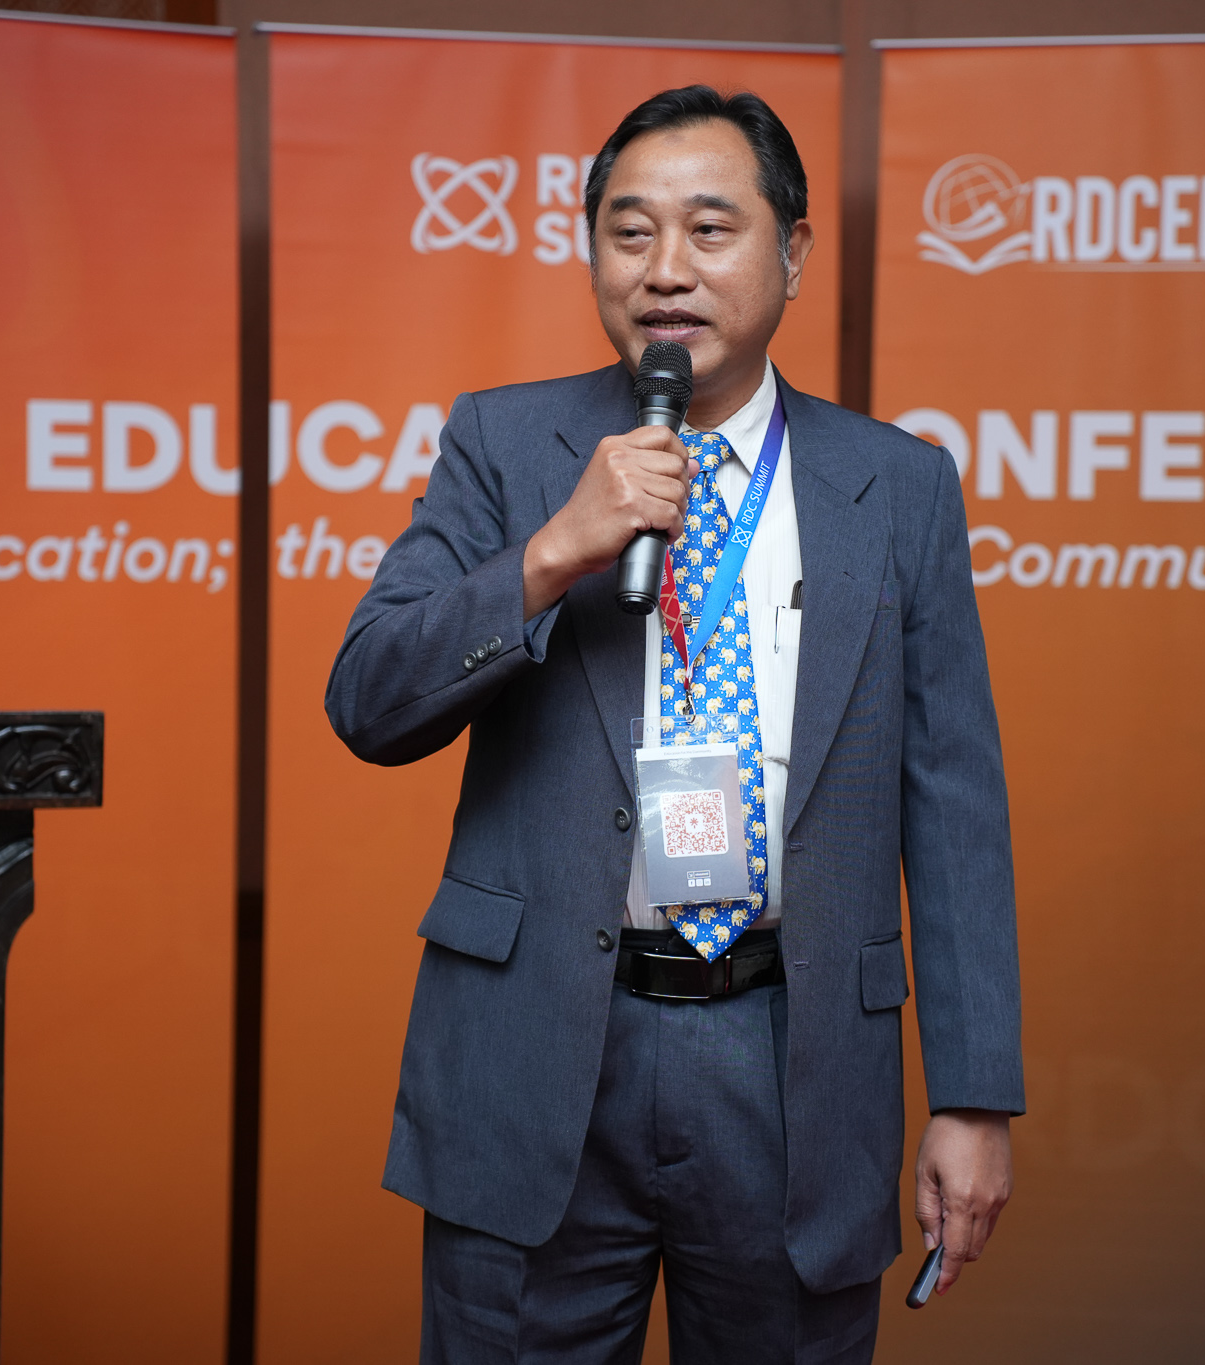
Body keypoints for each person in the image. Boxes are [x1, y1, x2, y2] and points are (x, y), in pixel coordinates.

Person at [325, 84, 1022, 1364]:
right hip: (537, 1050)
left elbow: (953, 800)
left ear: (790, 251)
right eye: (629, 232)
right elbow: (368, 701)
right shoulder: (506, 444)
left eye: (708, 229)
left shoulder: (897, 485)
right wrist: (551, 553)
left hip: (790, 1058)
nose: (664, 271)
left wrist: (973, 1096)